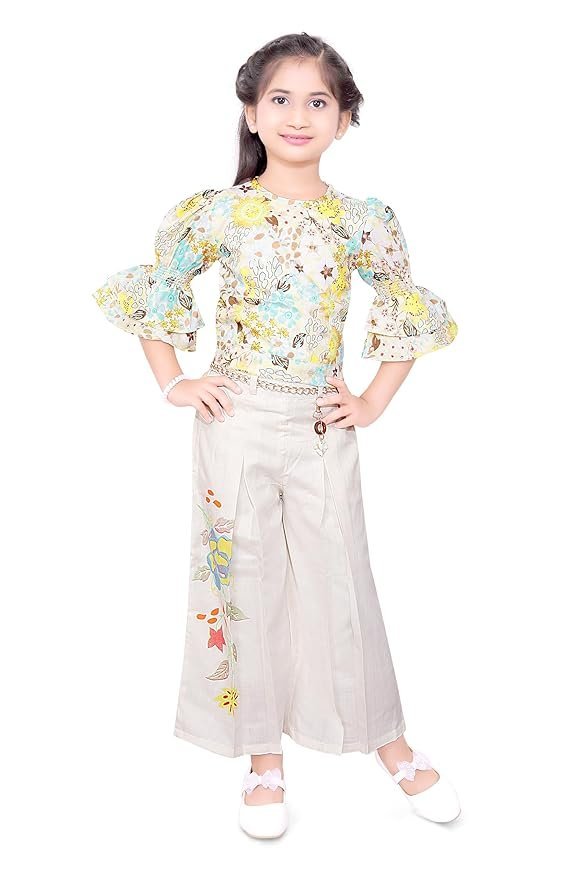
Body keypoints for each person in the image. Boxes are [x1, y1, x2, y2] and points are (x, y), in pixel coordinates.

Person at [92, 31, 461, 839]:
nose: (299, 115)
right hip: (234, 422)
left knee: (343, 581)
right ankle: (263, 758)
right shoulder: (220, 212)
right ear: (252, 113)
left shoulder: (361, 221)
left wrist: (372, 400)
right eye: (281, 99)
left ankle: (390, 743)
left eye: (318, 101)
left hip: (321, 424)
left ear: (345, 118)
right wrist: (175, 381)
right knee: (244, 580)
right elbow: (158, 291)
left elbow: (404, 305)